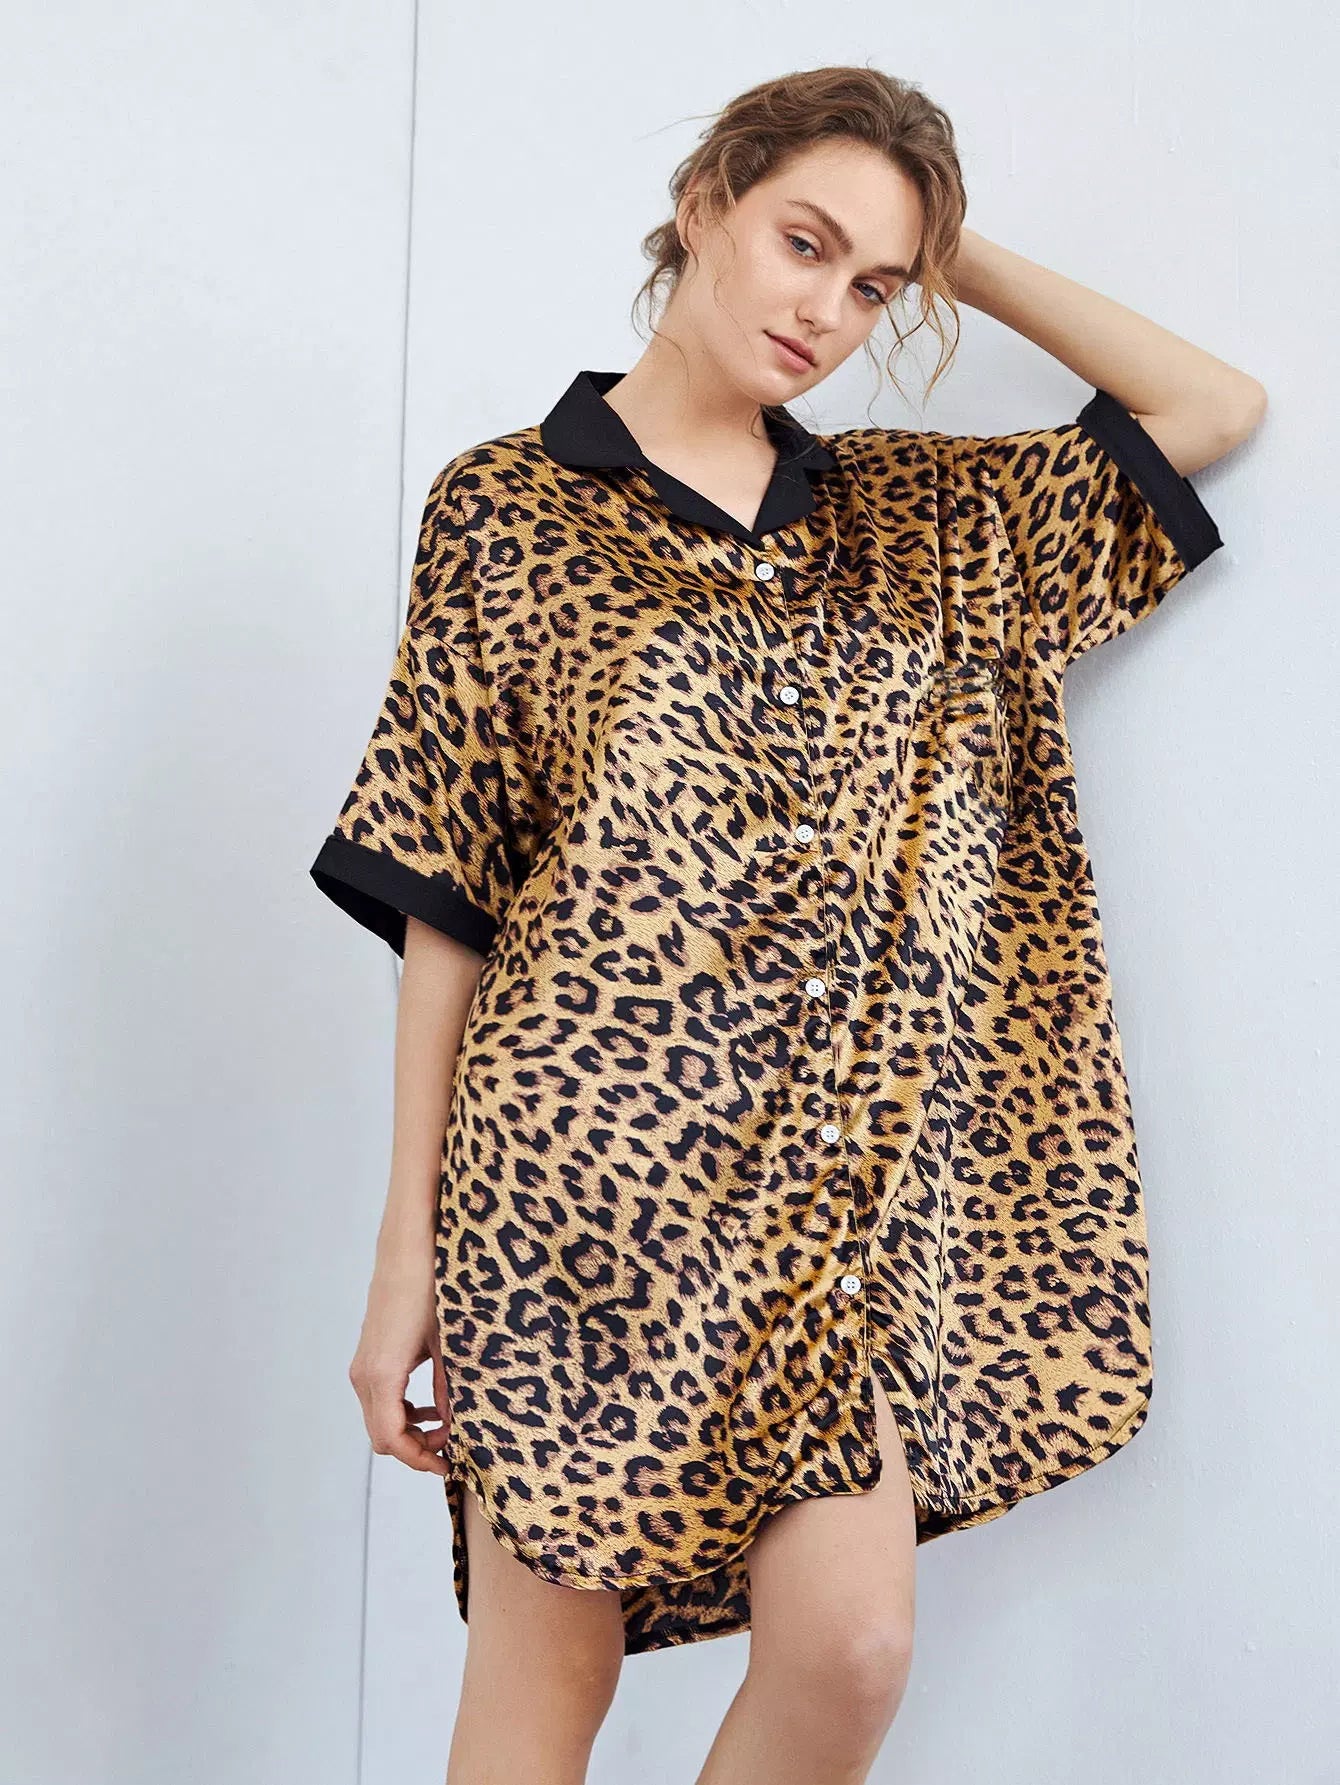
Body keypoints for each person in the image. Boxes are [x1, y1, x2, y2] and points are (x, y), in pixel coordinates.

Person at [309, 63, 1265, 1785]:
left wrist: (957, 252)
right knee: (544, 1687)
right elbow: (445, 889)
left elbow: (1210, 404)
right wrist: (406, 1267)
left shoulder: (924, 524)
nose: (828, 310)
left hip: (840, 1196)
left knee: (853, 1648)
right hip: (571, 1188)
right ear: (706, 207)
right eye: (804, 242)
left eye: (876, 285)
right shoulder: (506, 506)